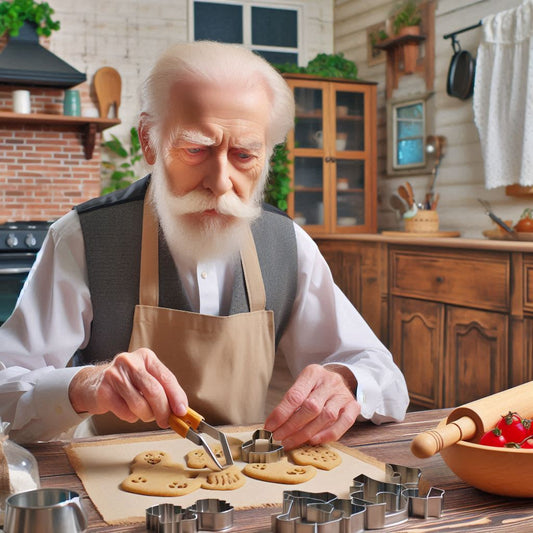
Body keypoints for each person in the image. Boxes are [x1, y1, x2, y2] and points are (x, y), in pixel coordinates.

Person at [0, 41, 409, 447]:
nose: (220, 182)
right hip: (108, 486)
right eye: (196, 149)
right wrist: (84, 385)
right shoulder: (83, 239)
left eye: (245, 155)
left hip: (249, 489)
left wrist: (347, 381)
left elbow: (386, 380)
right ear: (148, 140)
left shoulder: (289, 245)